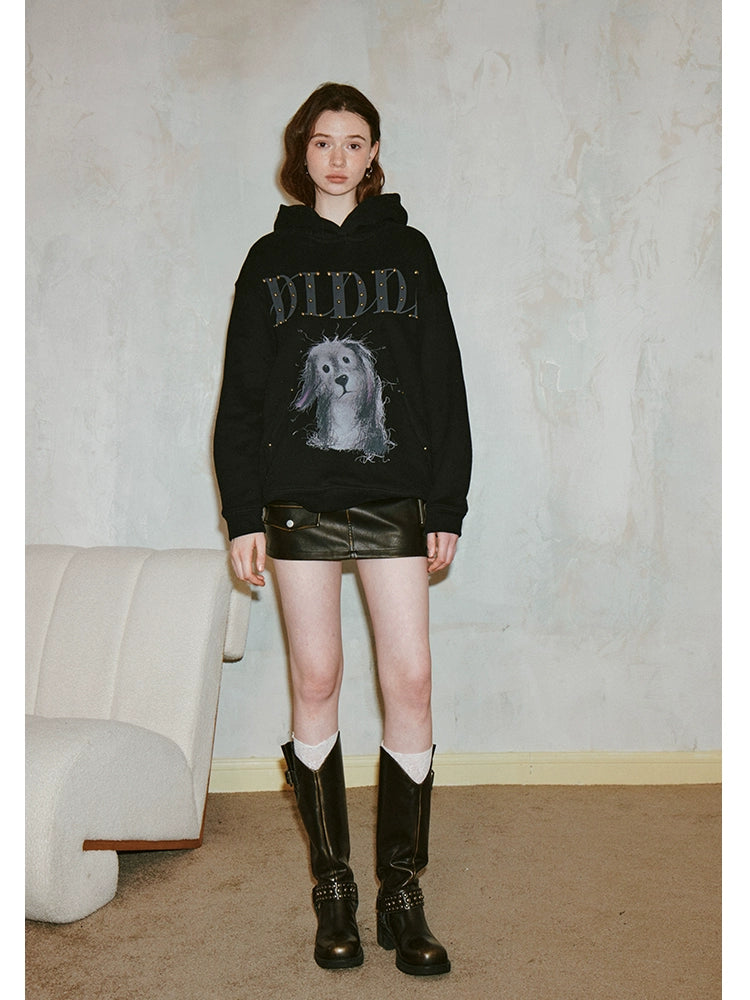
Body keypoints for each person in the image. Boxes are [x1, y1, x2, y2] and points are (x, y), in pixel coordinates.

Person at [213, 82, 471, 977]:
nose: (337, 157)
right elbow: (242, 396)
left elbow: (442, 381)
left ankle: (403, 893)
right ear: (303, 152)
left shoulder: (409, 250)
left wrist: (446, 504)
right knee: (316, 676)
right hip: (296, 497)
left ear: (373, 155)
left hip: (393, 493)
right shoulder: (268, 259)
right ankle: (335, 891)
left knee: (411, 677)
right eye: (322, 141)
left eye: (354, 142)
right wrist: (242, 512)